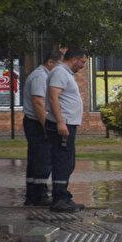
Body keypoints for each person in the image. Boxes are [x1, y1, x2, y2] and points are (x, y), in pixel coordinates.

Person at [45, 48, 88, 212]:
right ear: (75, 59)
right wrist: (60, 122)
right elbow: (53, 97)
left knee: (68, 162)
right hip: (62, 125)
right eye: (83, 62)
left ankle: (63, 195)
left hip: (68, 123)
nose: (83, 66)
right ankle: (59, 199)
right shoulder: (60, 73)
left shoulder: (66, 73)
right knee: (62, 161)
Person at [22, 50, 62, 206]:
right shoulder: (41, 76)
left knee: (36, 159)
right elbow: (38, 102)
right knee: (42, 159)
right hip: (38, 123)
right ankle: (39, 195)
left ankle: (33, 194)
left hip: (36, 122)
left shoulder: (43, 75)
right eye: (58, 66)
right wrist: (46, 125)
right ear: (50, 63)